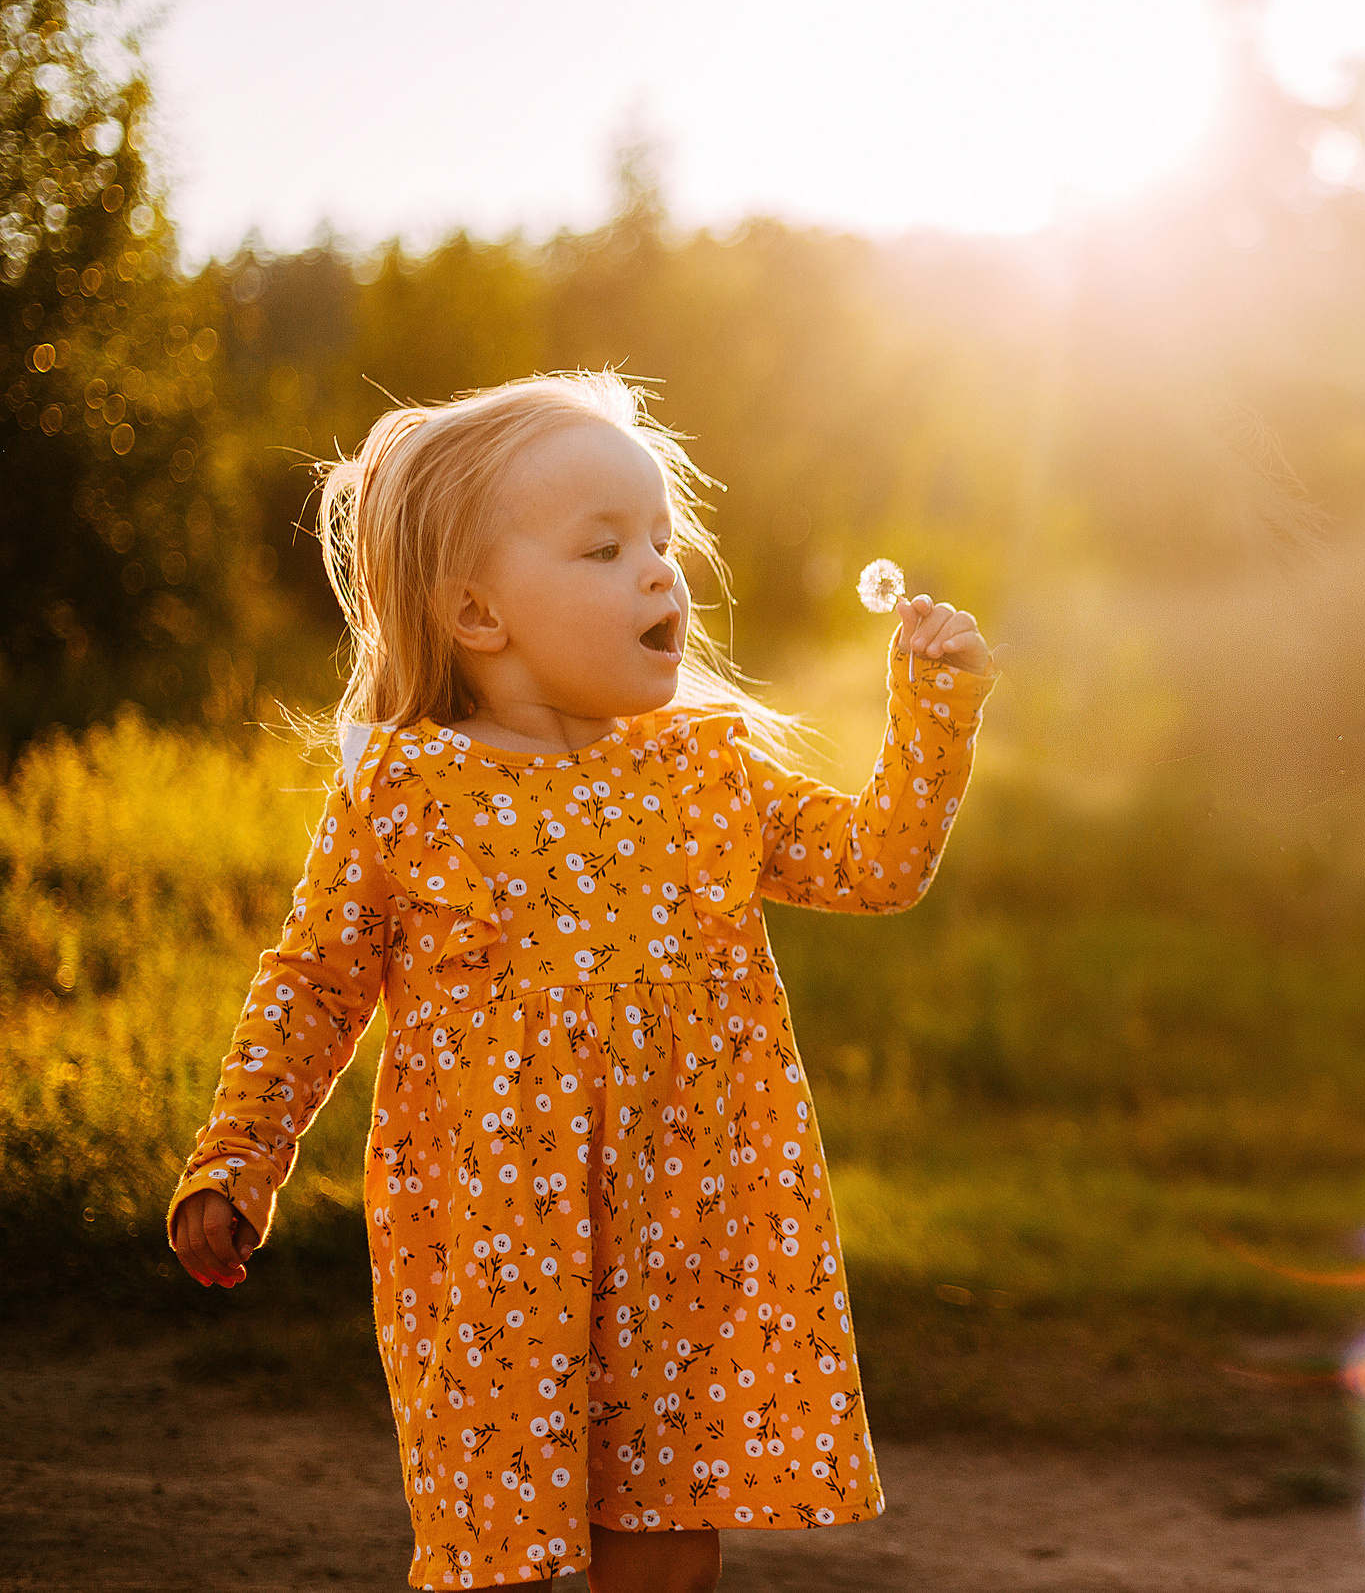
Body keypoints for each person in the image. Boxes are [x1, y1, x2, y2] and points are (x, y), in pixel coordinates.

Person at [166, 372, 996, 1592]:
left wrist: (932, 715)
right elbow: (316, 985)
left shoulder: (706, 773)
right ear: (479, 616)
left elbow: (872, 865)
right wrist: (241, 1154)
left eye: (663, 540)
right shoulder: (407, 793)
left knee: (665, 1508)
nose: (661, 571)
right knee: (493, 1515)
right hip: (496, 1230)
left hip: (691, 1217)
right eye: (605, 549)